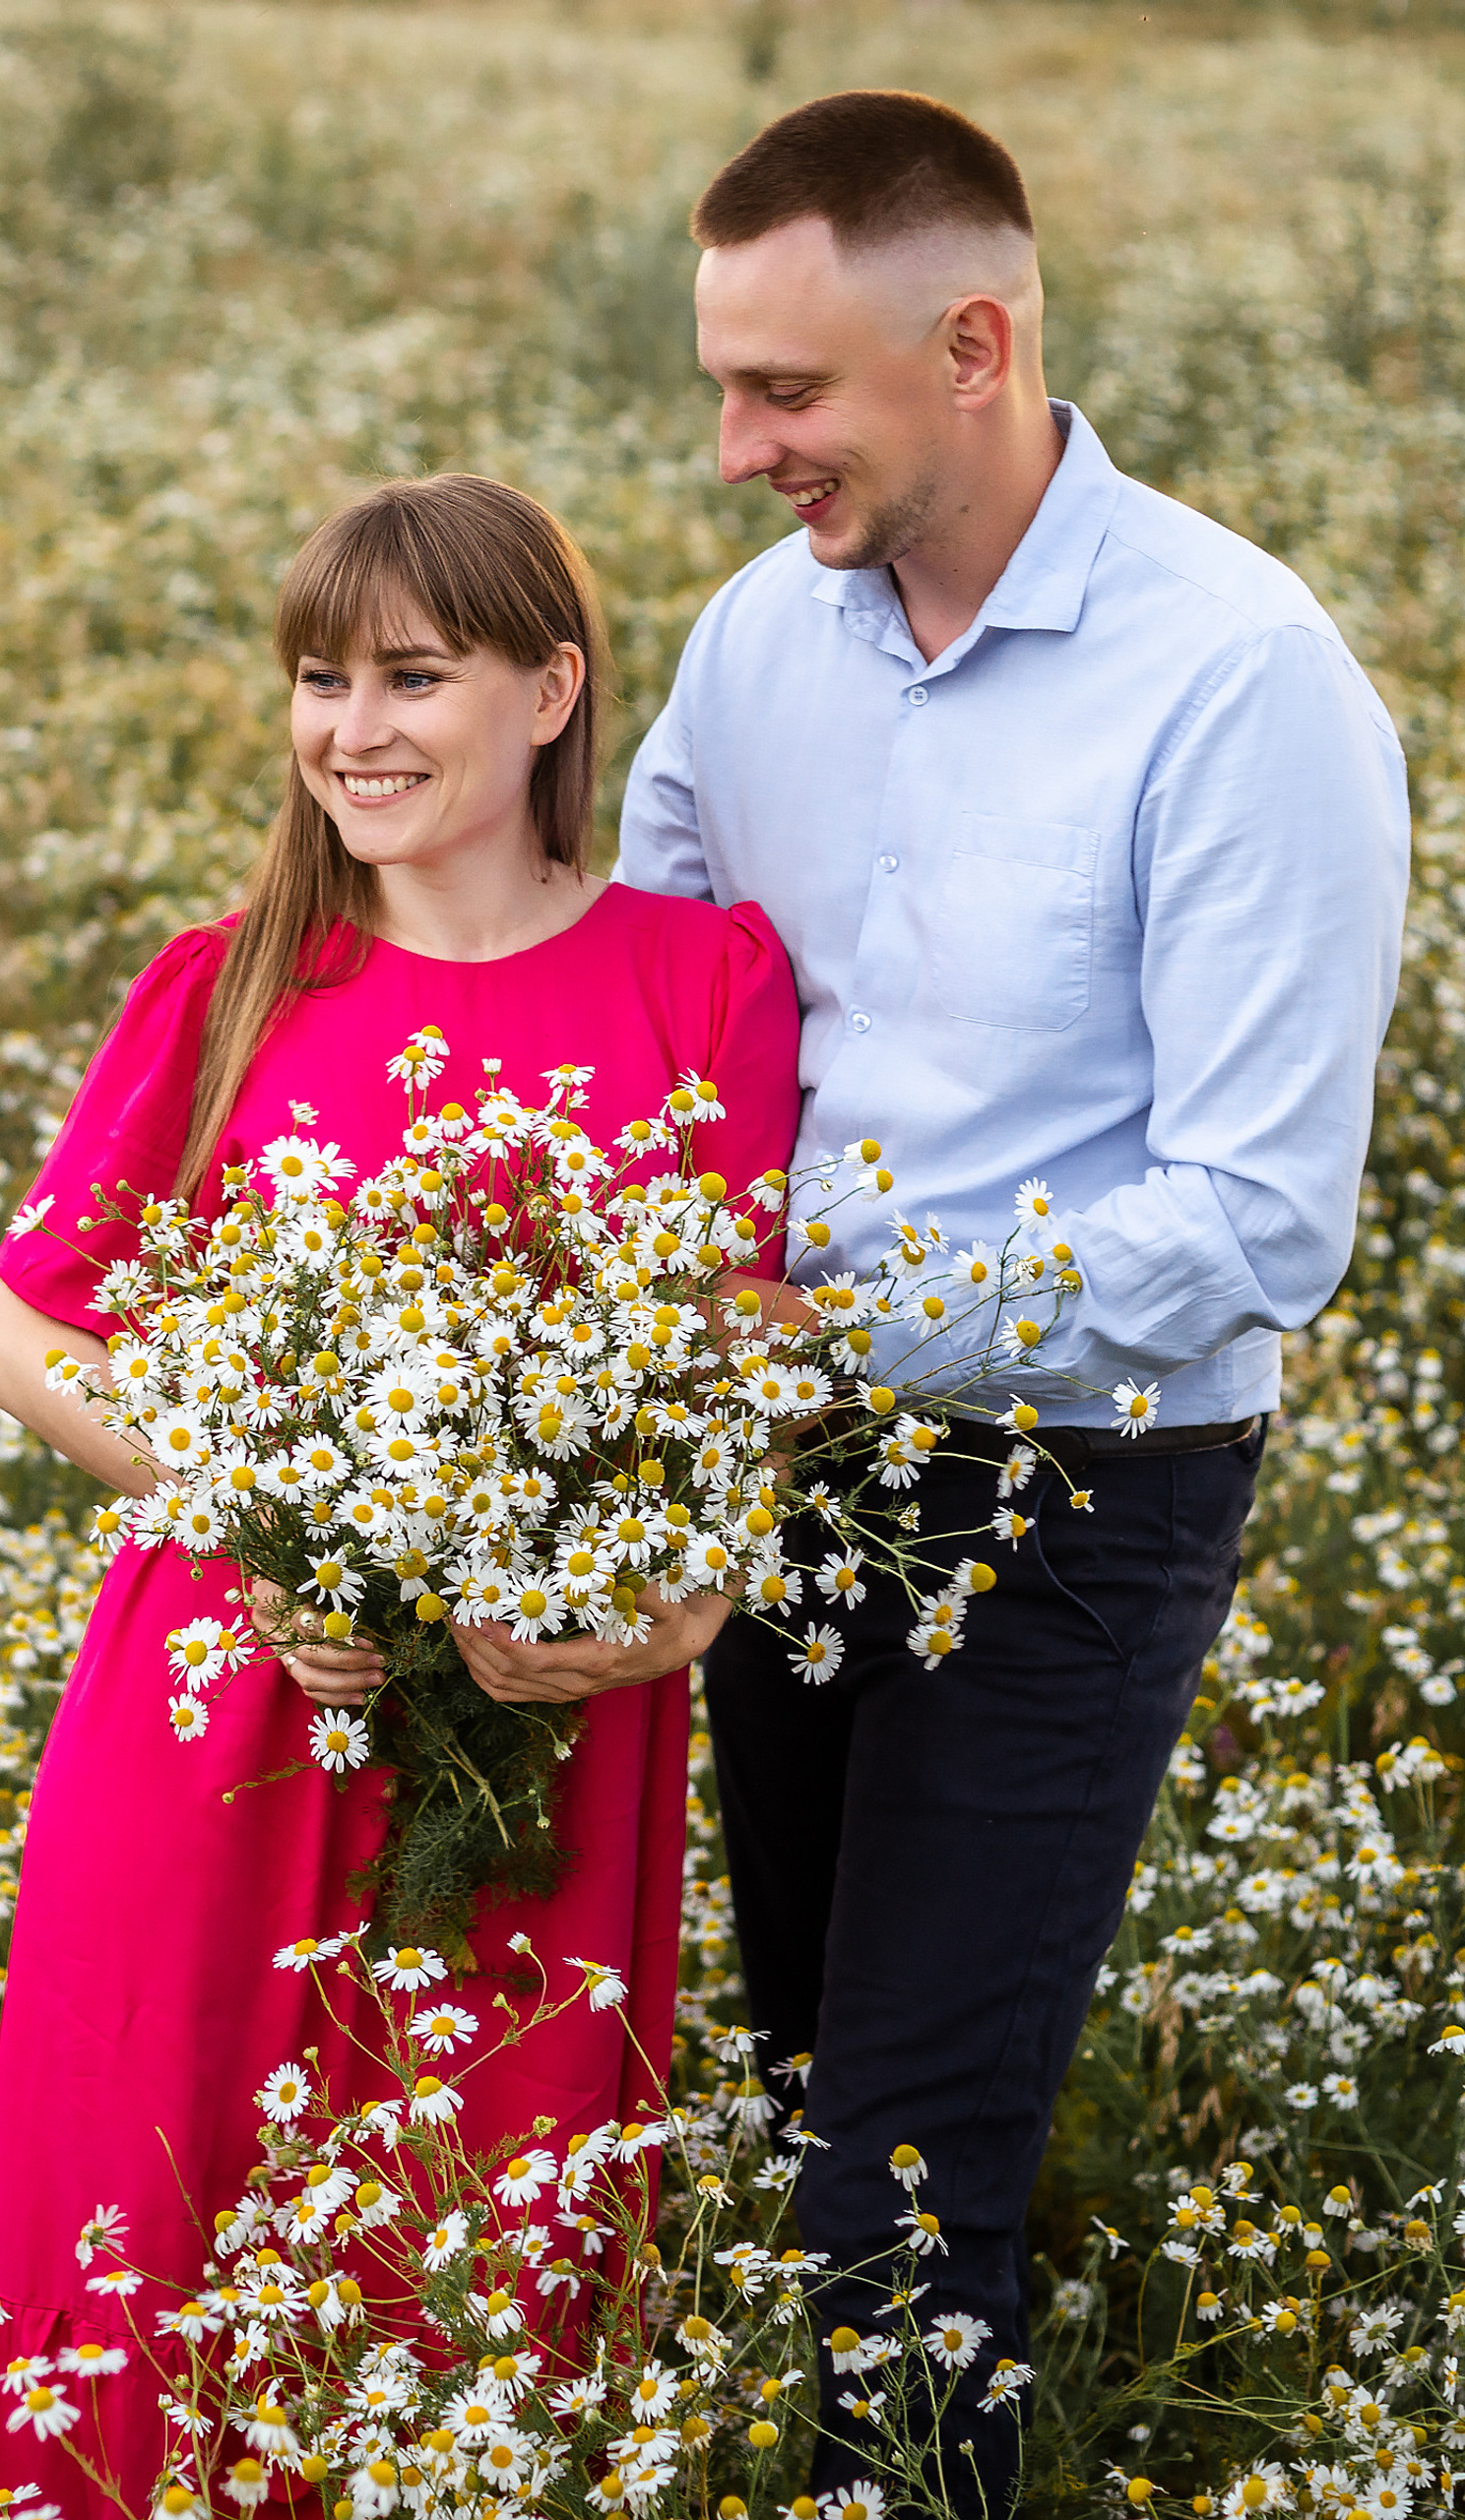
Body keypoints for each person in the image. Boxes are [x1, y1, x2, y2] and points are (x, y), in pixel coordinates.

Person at [607, 90, 1412, 2514]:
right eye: (724, 384)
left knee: (904, 2169)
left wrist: (824, 1321)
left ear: (969, 342)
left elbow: (1259, 1218)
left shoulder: (1239, 678)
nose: (737, 447)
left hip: (1082, 1486)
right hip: (782, 1454)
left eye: (786, 393)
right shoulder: (755, 641)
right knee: (798, 2083)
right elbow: (646, 1015)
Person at [0, 473, 801, 2515]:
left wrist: (663, 1596)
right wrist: (283, 1517)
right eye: (319, 679)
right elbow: (15, 1329)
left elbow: (736, 1355)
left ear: (547, 690)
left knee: (474, 2243)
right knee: (158, 2216)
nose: (354, 729)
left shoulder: (704, 982)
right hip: (227, 1698)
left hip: (528, 1721)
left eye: (413, 674)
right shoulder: (231, 979)